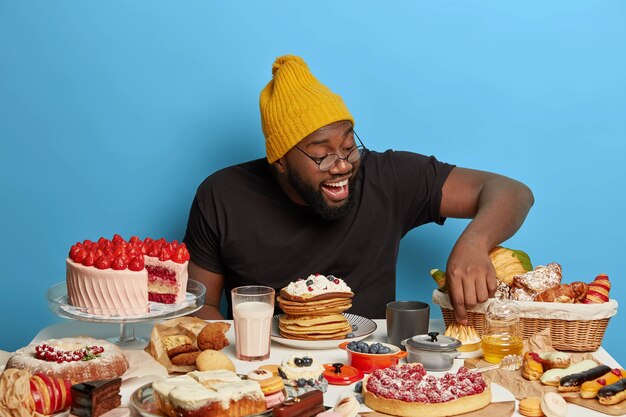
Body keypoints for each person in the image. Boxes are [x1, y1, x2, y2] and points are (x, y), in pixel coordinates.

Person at [183, 55, 534, 324]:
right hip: (268, 368)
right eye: (321, 155)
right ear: (280, 160)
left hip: (372, 367)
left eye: (349, 146)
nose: (342, 165)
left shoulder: (390, 177)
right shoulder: (222, 196)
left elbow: (512, 192)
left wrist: (473, 242)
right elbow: (202, 307)